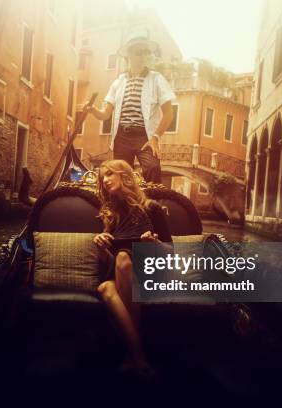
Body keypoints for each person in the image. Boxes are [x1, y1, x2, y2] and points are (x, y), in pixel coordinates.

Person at [93, 159, 172, 377]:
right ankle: (138, 357)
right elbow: (106, 261)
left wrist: (154, 244)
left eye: (110, 174)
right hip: (120, 270)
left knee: (123, 259)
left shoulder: (151, 209)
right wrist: (100, 244)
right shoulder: (109, 214)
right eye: (103, 177)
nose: (106, 180)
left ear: (125, 176)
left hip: (148, 270)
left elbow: (170, 251)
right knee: (105, 288)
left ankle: (132, 356)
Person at [83, 32, 176, 183]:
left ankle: (151, 205)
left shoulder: (156, 79)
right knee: (119, 176)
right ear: (129, 55)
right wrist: (93, 110)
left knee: (152, 168)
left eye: (145, 52)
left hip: (145, 137)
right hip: (122, 137)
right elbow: (105, 114)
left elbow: (169, 114)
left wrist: (155, 137)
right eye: (138, 52)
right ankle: (122, 206)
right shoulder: (118, 82)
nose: (142, 55)